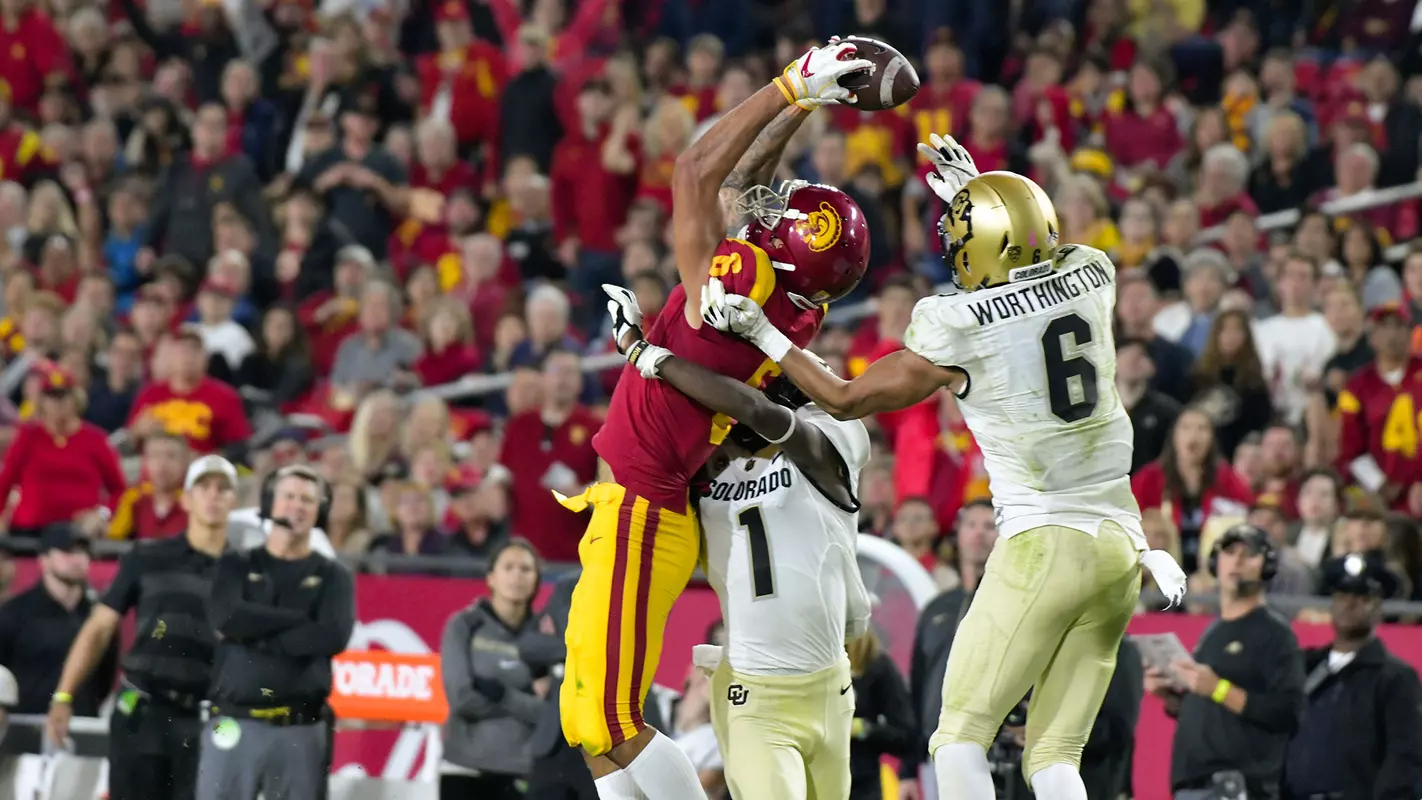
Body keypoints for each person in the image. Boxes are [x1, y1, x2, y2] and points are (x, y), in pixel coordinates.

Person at [699, 135, 1187, 800]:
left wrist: (762, 332)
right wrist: (980, 191)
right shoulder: (1092, 275)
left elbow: (843, 397)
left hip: (1044, 542)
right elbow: (1036, 259)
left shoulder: (959, 321)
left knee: (957, 735)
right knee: (1055, 755)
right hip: (1121, 547)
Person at [556, 38, 875, 800]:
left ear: (781, 258)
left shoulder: (743, 283)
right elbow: (747, 184)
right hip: (635, 496)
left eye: (779, 218)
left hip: (644, 504)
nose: (765, 208)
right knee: (586, 719)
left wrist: (791, 88)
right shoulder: (791, 309)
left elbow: (701, 173)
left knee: (607, 719)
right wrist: (806, 109)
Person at [607, 286, 872, 800]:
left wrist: (644, 353)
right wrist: (644, 352)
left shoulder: (832, 436)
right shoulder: (709, 463)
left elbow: (757, 410)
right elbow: (653, 429)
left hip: (830, 688)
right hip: (753, 693)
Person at [47, 454, 239, 800]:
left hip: (206, 719)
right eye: (204, 486)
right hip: (141, 710)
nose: (213, 495)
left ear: (234, 501)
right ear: (187, 498)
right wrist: (63, 696)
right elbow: (99, 628)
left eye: (223, 488)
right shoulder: (147, 556)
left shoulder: (245, 572)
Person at [198, 464, 355, 800]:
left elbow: (332, 637)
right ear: (270, 503)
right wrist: (297, 618)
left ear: (319, 511)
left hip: (299, 728)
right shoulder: (235, 564)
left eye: (306, 500)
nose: (296, 506)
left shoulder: (334, 576)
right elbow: (226, 618)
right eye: (288, 496)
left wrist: (253, 634)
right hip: (231, 720)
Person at [1144, 524, 1305, 800]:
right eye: (1229, 552)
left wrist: (1218, 688)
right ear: (1214, 562)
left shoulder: (1276, 634)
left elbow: (1287, 713)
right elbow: (1217, 712)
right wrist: (1172, 698)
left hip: (1239, 787)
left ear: (1267, 566)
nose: (1237, 561)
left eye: (1249, 553)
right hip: (1193, 784)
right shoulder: (1213, 633)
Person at [1283, 552, 1422, 799]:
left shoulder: (1396, 678)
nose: (1350, 603)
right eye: (1342, 595)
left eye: (1362, 597)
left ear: (1378, 608)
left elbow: (1404, 756)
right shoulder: (1304, 667)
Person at [439, 539, 546, 798]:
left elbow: (552, 713)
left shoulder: (547, 636)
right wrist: (525, 698)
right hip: (464, 770)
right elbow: (461, 698)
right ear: (491, 578)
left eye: (525, 569)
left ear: (536, 580)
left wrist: (501, 693)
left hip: (524, 772)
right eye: (508, 567)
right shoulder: (463, 625)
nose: (516, 576)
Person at [0, 524, 116, 714]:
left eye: (82, 552)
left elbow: (105, 679)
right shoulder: (14, 612)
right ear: (44, 559)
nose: (77, 559)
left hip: (83, 726)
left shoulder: (99, 616)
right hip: (25, 728)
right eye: (66, 551)